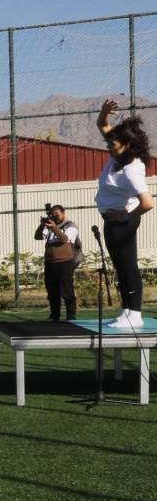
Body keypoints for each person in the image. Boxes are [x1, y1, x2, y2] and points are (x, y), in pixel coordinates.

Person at [95, 99, 154, 329]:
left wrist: (128, 217)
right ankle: (127, 312)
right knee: (120, 266)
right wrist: (104, 113)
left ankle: (135, 314)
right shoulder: (118, 157)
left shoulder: (131, 170)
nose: (108, 147)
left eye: (113, 144)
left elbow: (147, 203)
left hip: (122, 222)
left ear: (127, 145)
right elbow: (103, 126)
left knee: (128, 266)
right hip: (112, 220)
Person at [35, 204, 81, 321]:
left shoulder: (71, 226)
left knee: (67, 290)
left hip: (65, 263)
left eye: (57, 215)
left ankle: (71, 316)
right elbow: (38, 237)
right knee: (52, 291)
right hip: (50, 263)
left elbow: (64, 239)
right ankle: (54, 315)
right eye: (53, 215)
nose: (55, 217)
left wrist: (55, 227)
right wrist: (42, 225)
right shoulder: (50, 226)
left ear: (63, 213)